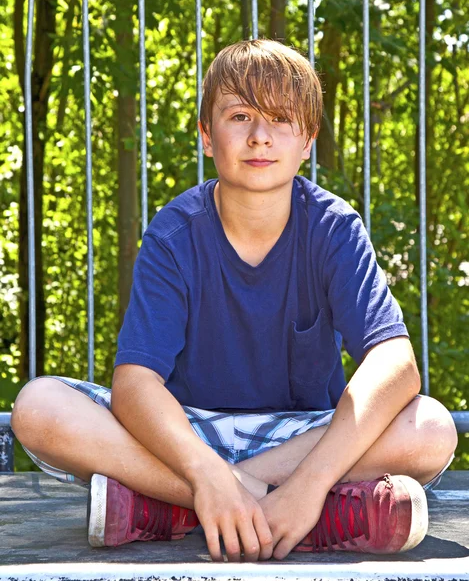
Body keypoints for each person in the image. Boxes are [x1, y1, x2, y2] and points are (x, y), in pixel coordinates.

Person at [11, 39, 458, 562]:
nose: (260, 137)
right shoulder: (173, 234)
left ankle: (177, 507)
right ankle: (289, 512)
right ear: (206, 134)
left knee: (430, 429)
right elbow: (134, 385)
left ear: (308, 140)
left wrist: (310, 481)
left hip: (303, 436)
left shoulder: (335, 228)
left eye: (281, 119)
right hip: (185, 435)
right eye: (240, 115)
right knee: (37, 409)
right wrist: (206, 473)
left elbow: (396, 364)